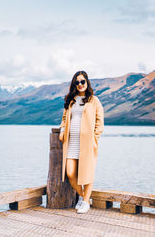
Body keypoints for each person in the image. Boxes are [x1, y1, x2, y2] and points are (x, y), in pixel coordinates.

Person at [58, 70, 104, 214]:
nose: (80, 84)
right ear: (74, 84)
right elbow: (65, 118)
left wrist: (94, 138)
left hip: (87, 143)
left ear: (87, 82)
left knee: (87, 173)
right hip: (71, 142)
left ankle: (84, 202)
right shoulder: (71, 100)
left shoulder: (94, 100)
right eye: (77, 82)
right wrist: (62, 129)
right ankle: (84, 198)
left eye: (82, 81)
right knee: (70, 173)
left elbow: (100, 121)